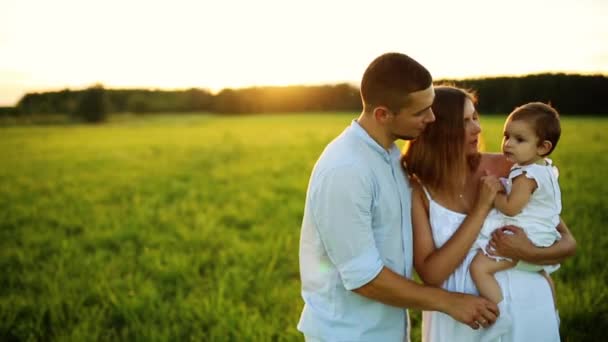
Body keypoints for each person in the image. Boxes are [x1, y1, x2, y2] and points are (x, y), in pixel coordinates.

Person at [298, 53, 499, 342]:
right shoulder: (346, 170)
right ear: (382, 114)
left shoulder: (390, 154)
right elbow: (364, 279)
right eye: (420, 112)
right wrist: (449, 301)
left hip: (386, 329)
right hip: (348, 334)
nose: (431, 118)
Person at [403, 85, 576, 342]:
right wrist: (482, 206)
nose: (478, 128)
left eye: (475, 117)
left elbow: (567, 242)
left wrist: (529, 253)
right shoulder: (418, 189)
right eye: (465, 121)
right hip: (461, 320)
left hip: (528, 308)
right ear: (440, 129)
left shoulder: (511, 167)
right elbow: (432, 273)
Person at [469, 103, 564, 341]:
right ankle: (554, 314)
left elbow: (511, 208)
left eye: (519, 139)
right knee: (542, 275)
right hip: (543, 238)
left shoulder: (525, 175)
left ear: (543, 147)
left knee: (479, 268)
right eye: (506, 136)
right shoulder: (546, 169)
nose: (508, 143)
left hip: (525, 237)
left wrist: (494, 193)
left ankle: (502, 316)